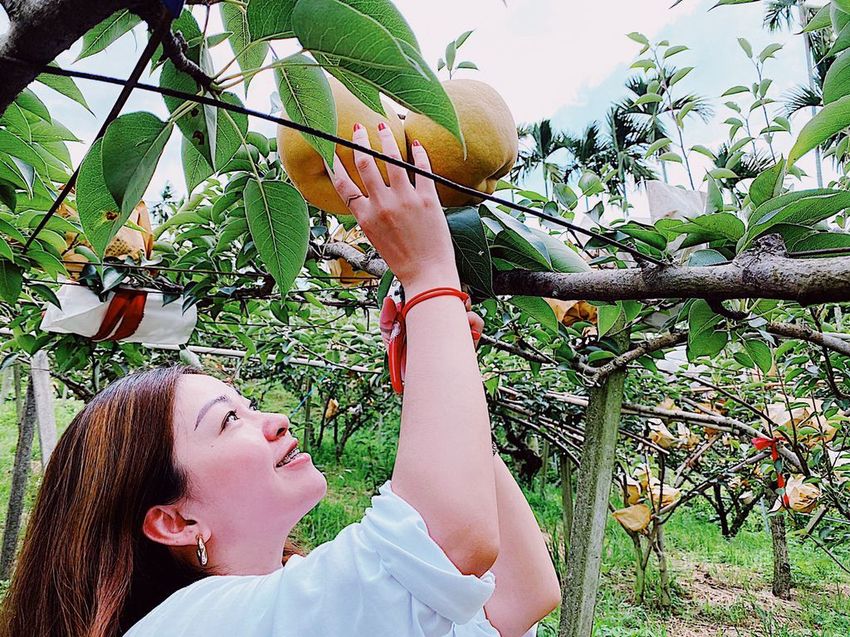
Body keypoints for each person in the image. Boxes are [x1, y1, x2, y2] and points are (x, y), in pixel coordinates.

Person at [0, 124, 560, 637]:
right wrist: (429, 274)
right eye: (226, 420)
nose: (274, 419)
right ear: (175, 520)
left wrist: (430, 388)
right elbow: (449, 540)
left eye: (245, 406)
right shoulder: (185, 627)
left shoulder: (284, 592)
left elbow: (519, 598)